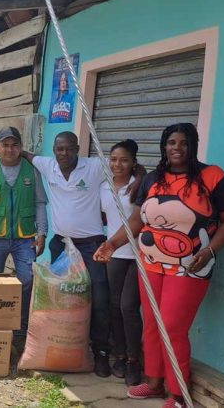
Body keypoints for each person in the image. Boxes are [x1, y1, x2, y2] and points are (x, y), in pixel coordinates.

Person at [95, 123, 224, 408]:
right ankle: (153, 382)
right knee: (151, 323)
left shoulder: (213, 177)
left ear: (192, 145)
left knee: (173, 327)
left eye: (183, 142)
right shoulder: (153, 179)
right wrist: (112, 244)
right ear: (164, 146)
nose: (177, 148)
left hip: (189, 267)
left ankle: (178, 394)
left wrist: (211, 250)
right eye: (171, 142)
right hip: (151, 265)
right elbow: (137, 221)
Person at [17, 131, 145, 377]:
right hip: (60, 243)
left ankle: (101, 353)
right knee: (59, 297)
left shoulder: (95, 166)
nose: (64, 154)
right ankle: (61, 344)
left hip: (92, 245)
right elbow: (27, 155)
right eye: (59, 149)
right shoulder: (48, 165)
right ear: (54, 150)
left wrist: (140, 178)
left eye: (69, 149)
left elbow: (127, 167)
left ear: (78, 149)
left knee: (99, 298)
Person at [0, 126, 48, 346]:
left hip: (25, 238)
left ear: (20, 148)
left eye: (15, 145)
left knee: (27, 280)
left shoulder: (31, 169)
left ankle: (20, 331)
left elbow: (40, 203)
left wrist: (42, 232)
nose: (10, 149)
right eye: (5, 145)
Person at [100, 139, 143, 386]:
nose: (118, 164)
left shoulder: (139, 187)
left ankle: (134, 360)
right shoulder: (104, 187)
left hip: (137, 255)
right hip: (114, 255)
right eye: (114, 159)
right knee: (115, 306)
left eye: (124, 160)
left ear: (133, 162)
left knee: (128, 307)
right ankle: (120, 355)